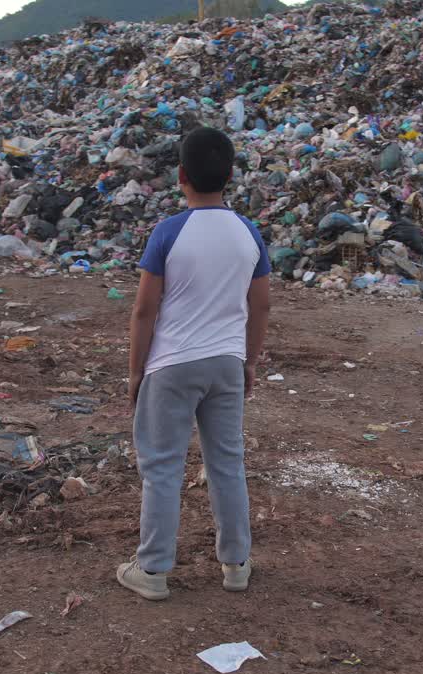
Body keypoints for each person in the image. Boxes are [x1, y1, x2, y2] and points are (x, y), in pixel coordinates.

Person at [117, 126, 272, 601]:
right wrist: (248, 362)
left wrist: (135, 370)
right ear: (230, 177)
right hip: (226, 361)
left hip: (173, 364)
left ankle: (154, 570)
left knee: (162, 466)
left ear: (181, 175)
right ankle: (236, 565)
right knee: (227, 463)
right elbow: (261, 305)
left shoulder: (168, 232)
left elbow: (145, 309)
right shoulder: (248, 233)